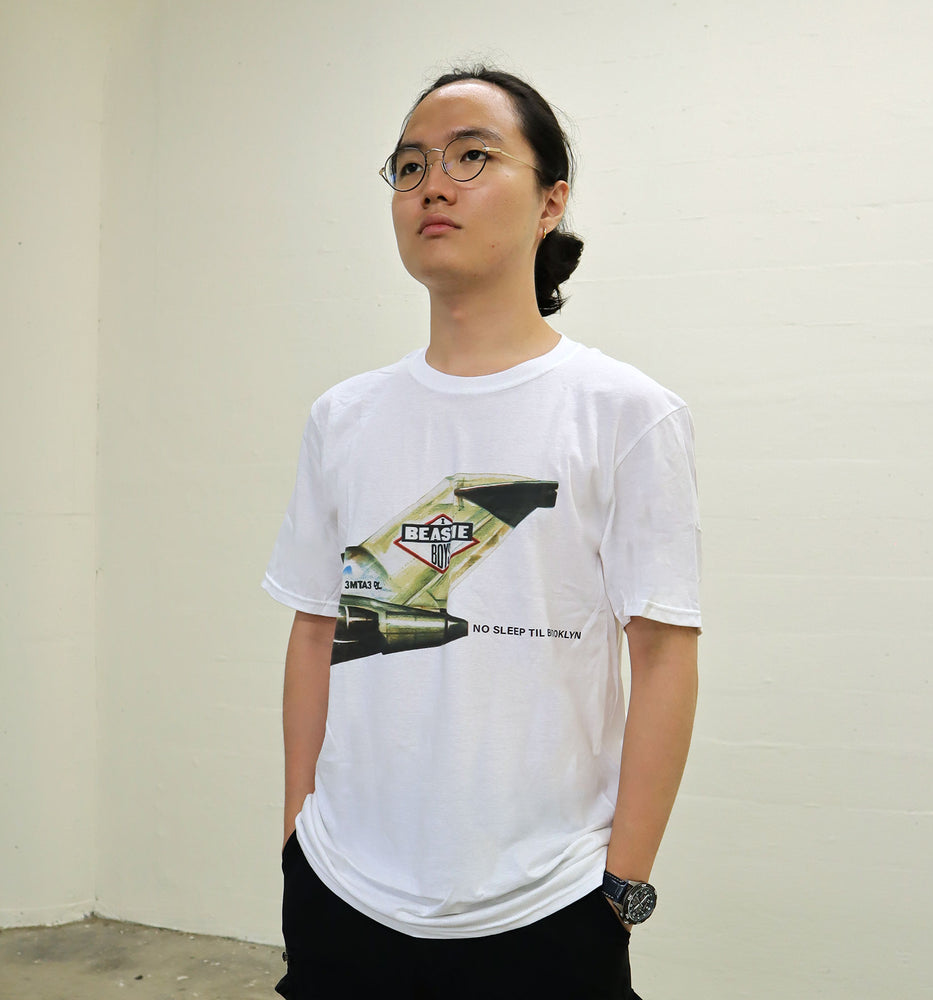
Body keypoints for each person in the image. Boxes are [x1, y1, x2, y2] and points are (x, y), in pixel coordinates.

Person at [262, 66, 701, 1000]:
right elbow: (314, 627)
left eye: (472, 157)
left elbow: (664, 655)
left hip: (546, 904)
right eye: (411, 164)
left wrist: (623, 884)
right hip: (341, 889)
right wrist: (298, 831)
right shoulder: (344, 417)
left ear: (552, 201)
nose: (433, 184)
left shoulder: (625, 413)